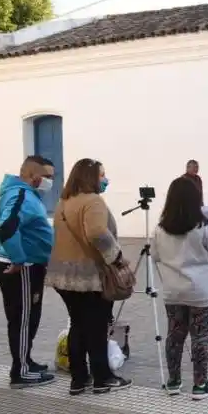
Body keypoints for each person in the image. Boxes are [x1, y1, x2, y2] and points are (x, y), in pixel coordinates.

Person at [45, 158, 132, 395]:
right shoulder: (93, 201)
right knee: (96, 327)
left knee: (78, 325)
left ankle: (79, 379)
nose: (105, 179)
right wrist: (116, 256)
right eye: (102, 175)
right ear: (91, 177)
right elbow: (96, 233)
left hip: (63, 276)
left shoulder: (64, 201)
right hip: (89, 275)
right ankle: (103, 378)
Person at [153, 176, 208, 400]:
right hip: (201, 292)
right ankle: (200, 384)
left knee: (174, 335)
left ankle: (173, 381)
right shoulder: (205, 227)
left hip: (173, 291)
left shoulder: (160, 228)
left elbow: (155, 254)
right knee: (200, 336)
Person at [0, 155, 57, 388]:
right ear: (32, 176)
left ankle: (25, 360)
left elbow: (1, 221)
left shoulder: (22, 194)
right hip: (23, 267)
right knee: (23, 319)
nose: (51, 181)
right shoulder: (20, 194)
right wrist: (18, 258)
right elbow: (6, 226)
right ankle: (20, 371)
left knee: (29, 317)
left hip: (28, 264)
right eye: (48, 176)